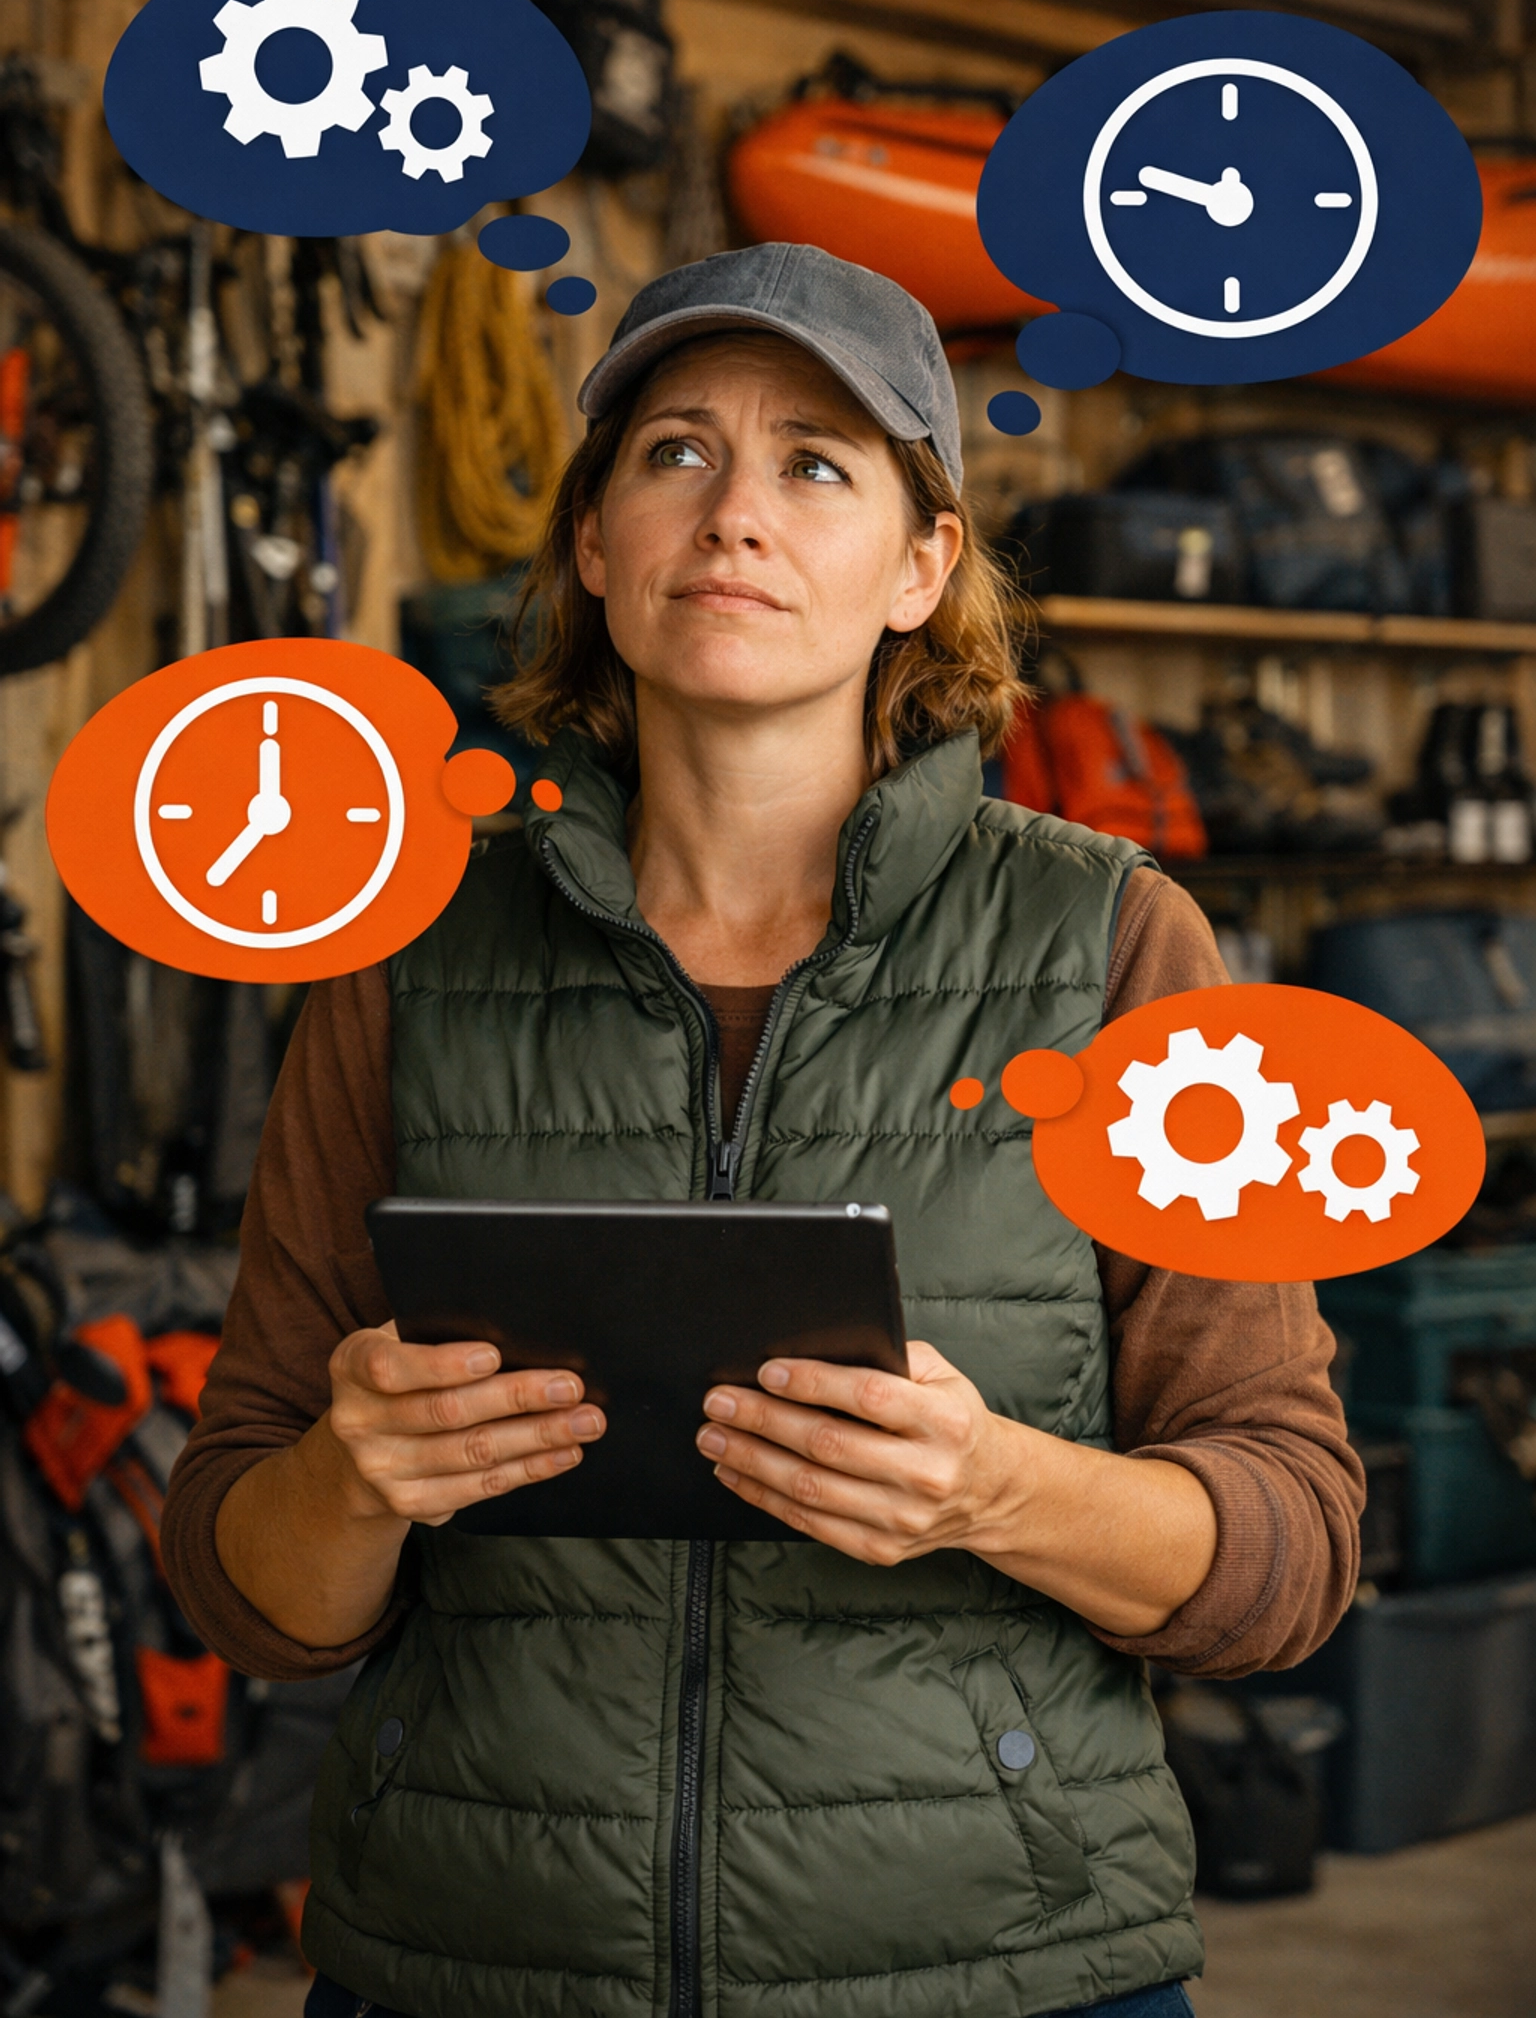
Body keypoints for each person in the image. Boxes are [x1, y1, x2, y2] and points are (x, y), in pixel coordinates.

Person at [163, 245, 1363, 2018]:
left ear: (919, 567)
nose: (734, 514)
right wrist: (354, 1477)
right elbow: (248, 1591)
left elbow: (1292, 1548)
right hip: (474, 1958)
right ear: (594, 547)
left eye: (817, 463)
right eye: (674, 453)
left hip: (999, 1965)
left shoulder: (1112, 948)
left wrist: (995, 1488)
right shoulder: (408, 958)